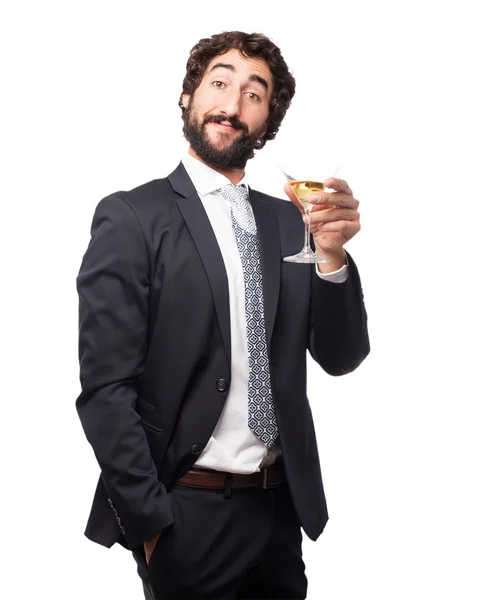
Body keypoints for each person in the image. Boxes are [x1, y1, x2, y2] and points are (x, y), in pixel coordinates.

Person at [76, 30, 370, 600]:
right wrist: (152, 525)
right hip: (186, 515)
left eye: (254, 95)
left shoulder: (292, 222)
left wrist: (333, 257)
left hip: (279, 511)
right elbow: (105, 390)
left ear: (267, 122)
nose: (232, 106)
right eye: (219, 84)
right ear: (189, 97)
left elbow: (341, 356)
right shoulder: (132, 217)